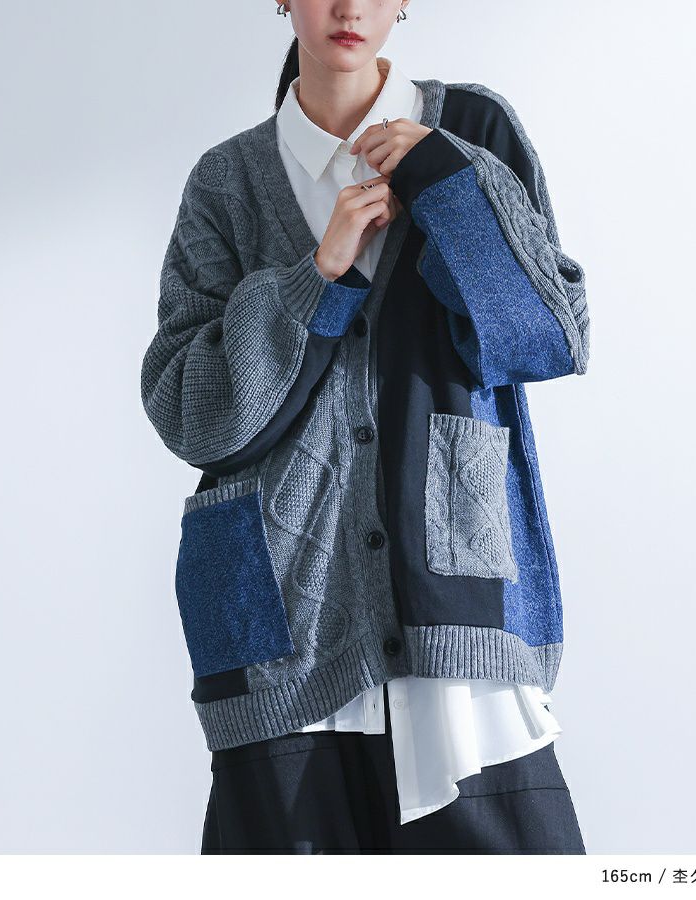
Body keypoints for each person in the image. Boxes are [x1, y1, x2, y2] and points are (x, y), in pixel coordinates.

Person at [140, 0, 590, 854]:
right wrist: (317, 277)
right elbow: (192, 415)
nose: (349, 6)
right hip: (280, 617)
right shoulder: (227, 181)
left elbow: (547, 337)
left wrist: (447, 183)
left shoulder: (472, 132)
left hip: (454, 595)